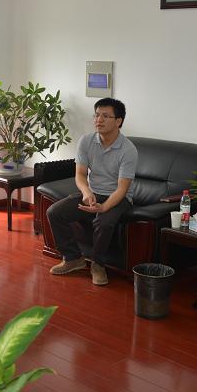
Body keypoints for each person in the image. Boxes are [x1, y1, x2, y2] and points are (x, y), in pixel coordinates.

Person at [47, 98, 138, 286]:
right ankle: (73, 258)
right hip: (92, 193)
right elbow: (80, 175)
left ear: (118, 121)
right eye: (96, 115)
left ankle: (98, 264)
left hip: (118, 198)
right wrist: (87, 193)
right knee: (55, 212)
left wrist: (104, 207)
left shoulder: (128, 150)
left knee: (103, 222)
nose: (99, 120)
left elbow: (122, 188)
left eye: (105, 116)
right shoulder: (86, 141)